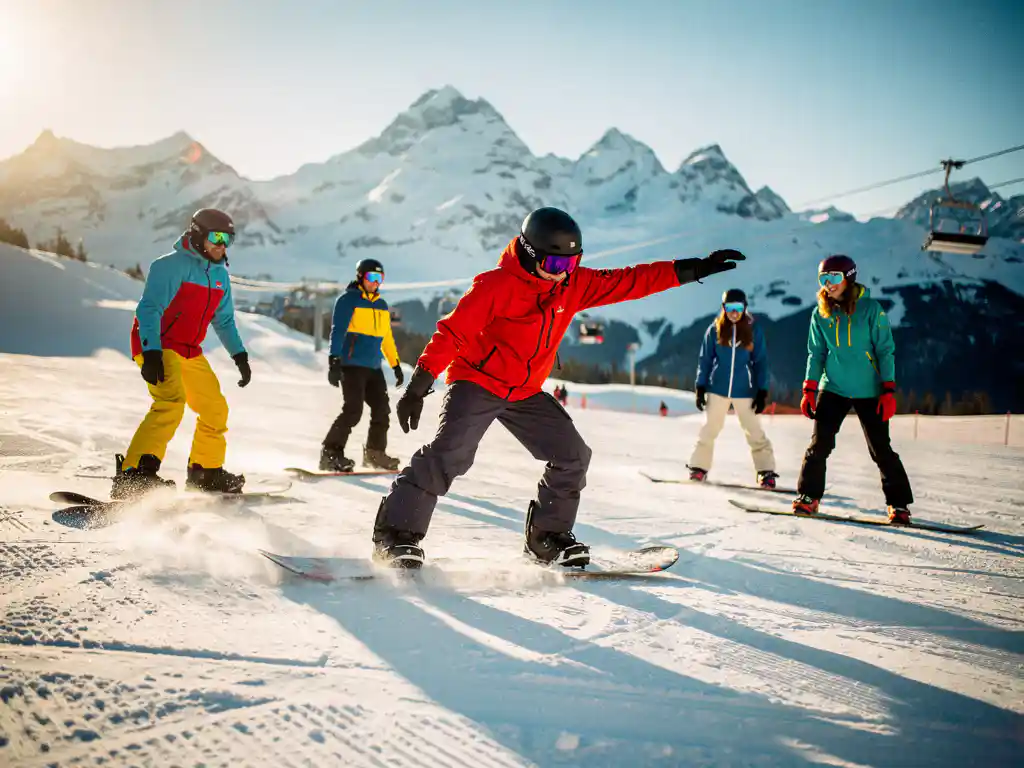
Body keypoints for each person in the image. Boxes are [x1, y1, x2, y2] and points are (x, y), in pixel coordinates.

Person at [371, 206, 746, 568]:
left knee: (573, 456)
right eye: (554, 264)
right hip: (478, 381)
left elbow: (632, 280)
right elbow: (453, 333)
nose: (562, 273)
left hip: (524, 390)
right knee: (450, 453)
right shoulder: (496, 285)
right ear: (530, 253)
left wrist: (695, 269)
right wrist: (419, 385)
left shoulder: (574, 284)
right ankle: (396, 533)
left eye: (571, 263)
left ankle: (547, 539)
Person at [112, 208, 251, 499]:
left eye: (229, 239)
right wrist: (150, 352)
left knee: (214, 409)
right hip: (158, 344)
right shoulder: (170, 266)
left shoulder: (220, 276)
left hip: (188, 350)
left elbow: (223, 321)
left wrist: (239, 355)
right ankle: (134, 476)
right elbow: (149, 309)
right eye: (217, 237)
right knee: (170, 402)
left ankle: (205, 472)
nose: (222, 245)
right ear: (198, 234)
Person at [794, 254, 913, 523]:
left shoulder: (872, 310)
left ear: (849, 277)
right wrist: (809, 389)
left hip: (869, 389)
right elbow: (816, 353)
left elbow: (885, 350)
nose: (828, 284)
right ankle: (809, 497)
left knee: (880, 449)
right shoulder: (820, 313)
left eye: (834, 277)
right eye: (823, 278)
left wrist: (889, 389)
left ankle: (899, 504)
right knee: (819, 445)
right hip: (833, 386)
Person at [687, 288, 778, 488]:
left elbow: (761, 362)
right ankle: (699, 468)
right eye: (730, 308)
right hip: (717, 388)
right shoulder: (715, 330)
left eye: (738, 308)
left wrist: (762, 391)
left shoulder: (754, 331)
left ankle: (765, 471)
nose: (734, 313)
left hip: (744, 390)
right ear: (723, 308)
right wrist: (701, 386)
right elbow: (705, 360)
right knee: (710, 428)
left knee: (753, 431)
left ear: (745, 308)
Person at [320, 258, 403, 472]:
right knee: (353, 410)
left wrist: (395, 365)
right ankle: (330, 453)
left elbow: (386, 337)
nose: (375, 282)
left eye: (379, 278)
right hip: (352, 365)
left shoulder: (382, 305)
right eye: (371, 277)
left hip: (374, 368)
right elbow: (337, 331)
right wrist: (334, 360)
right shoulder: (348, 300)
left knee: (382, 410)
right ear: (360, 277)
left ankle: (375, 454)